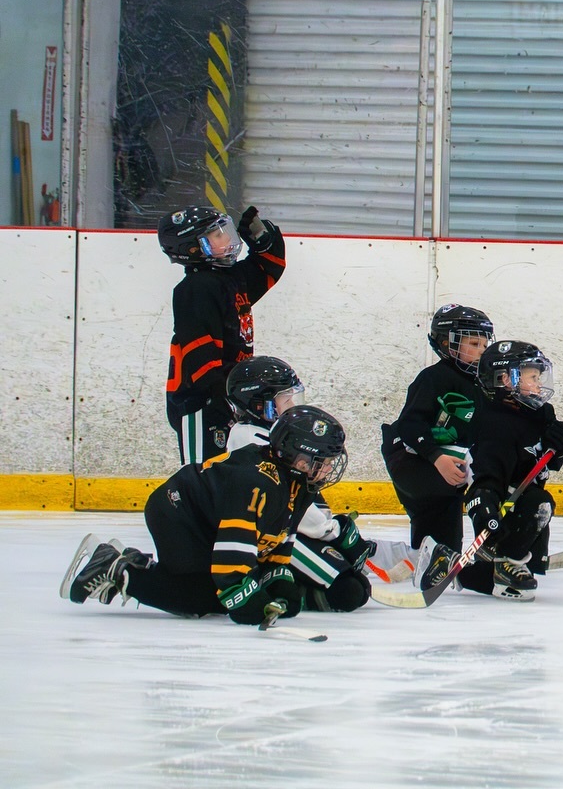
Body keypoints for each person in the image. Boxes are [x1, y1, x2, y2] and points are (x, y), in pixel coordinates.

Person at [62, 405, 363, 623]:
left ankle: (130, 568)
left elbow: (279, 537)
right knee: (201, 598)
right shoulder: (258, 483)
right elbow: (231, 567)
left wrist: (277, 582)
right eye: (322, 460)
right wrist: (248, 603)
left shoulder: (297, 484)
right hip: (178, 513)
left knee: (222, 593)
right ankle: (119, 566)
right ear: (299, 457)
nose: (328, 468)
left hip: (206, 519)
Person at [226, 357, 415, 590]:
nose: (292, 403)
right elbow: (290, 510)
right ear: (259, 403)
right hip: (260, 540)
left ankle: (405, 557)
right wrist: (334, 532)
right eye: (285, 397)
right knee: (348, 587)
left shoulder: (265, 435)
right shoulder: (252, 444)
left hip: (275, 532)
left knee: (341, 552)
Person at [432, 340, 563, 601]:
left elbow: (547, 460)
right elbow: (484, 477)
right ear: (505, 379)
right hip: (499, 510)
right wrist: (483, 508)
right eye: (531, 376)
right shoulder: (492, 423)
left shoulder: (540, 413)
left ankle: (480, 564)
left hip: (523, 505)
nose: (538, 382)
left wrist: (561, 446)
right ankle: (495, 557)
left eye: (538, 375)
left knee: (508, 582)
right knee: (539, 503)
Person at [158, 204, 285, 466]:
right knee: (201, 476)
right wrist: (223, 401)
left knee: (231, 475)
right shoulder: (195, 289)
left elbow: (270, 267)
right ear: (193, 249)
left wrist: (260, 235)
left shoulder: (230, 278)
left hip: (226, 397)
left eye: (223, 231)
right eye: (216, 235)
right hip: (200, 403)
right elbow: (201, 360)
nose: (227, 238)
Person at [381, 305, 495, 573]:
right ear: (448, 344)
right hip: (411, 459)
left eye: (484, 343)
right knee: (441, 497)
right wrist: (436, 457)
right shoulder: (434, 378)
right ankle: (403, 557)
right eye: (474, 343)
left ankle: (423, 558)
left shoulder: (483, 383)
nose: (482, 350)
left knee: (443, 544)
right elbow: (409, 425)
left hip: (447, 460)